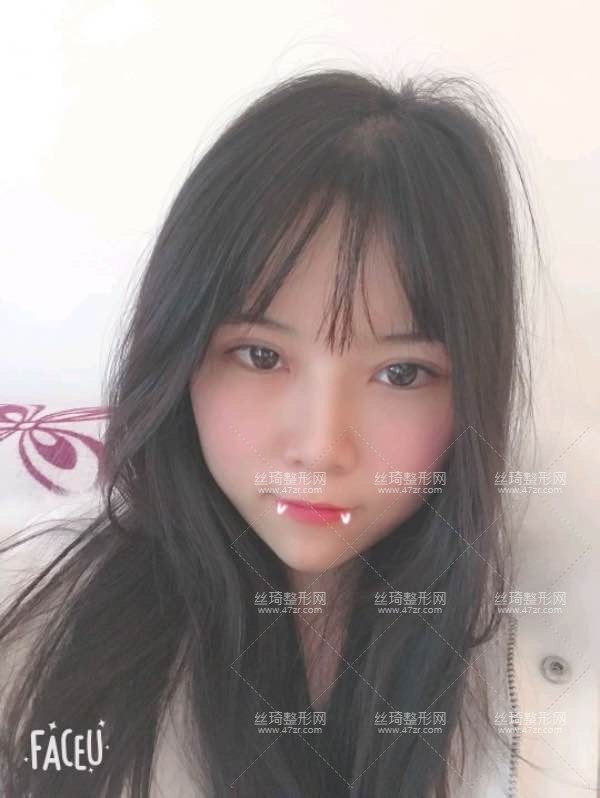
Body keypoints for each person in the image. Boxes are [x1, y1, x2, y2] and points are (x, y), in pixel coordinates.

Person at [0, 67, 570, 797]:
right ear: (179, 358)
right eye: (261, 356)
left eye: (401, 373)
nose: (321, 447)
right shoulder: (34, 638)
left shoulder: (556, 643)